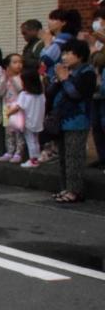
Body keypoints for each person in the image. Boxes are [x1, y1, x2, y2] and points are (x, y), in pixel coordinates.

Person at [47, 39, 96, 203]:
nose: (65, 57)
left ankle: (75, 191)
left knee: (74, 157)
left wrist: (65, 79)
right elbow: (50, 93)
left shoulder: (87, 73)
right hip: (61, 120)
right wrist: (57, 79)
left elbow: (76, 94)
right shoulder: (65, 71)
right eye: (64, 53)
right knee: (63, 157)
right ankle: (65, 188)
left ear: (80, 56)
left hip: (77, 120)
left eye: (69, 53)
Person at [14, 67, 46, 168]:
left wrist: (7, 113)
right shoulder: (41, 95)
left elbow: (18, 107)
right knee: (36, 141)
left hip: (27, 121)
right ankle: (36, 158)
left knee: (30, 141)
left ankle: (33, 160)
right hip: (38, 121)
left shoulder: (24, 95)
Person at [0, 53, 25, 163]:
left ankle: (18, 153)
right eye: (15, 62)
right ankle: (9, 151)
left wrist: (12, 78)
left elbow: (20, 90)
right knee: (8, 132)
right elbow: (0, 92)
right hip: (6, 107)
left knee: (19, 132)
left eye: (20, 62)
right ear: (8, 65)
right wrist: (5, 78)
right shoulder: (4, 77)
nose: (19, 65)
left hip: (18, 109)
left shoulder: (21, 77)